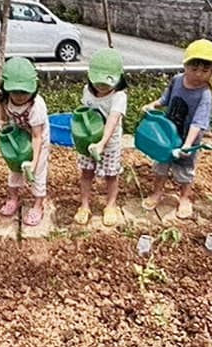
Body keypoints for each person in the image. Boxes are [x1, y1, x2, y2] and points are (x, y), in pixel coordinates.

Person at [141, 39, 212, 219]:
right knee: (161, 165)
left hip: (187, 139)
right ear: (185, 65)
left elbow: (198, 123)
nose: (198, 74)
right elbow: (165, 100)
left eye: (205, 70)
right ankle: (157, 192)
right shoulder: (177, 80)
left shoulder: (204, 94)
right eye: (194, 69)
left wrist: (187, 145)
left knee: (185, 170)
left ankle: (184, 198)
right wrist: (152, 105)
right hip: (166, 136)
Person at [73, 48, 127, 227]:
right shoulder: (87, 92)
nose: (101, 86)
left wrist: (102, 143)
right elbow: (84, 115)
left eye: (106, 82)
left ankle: (110, 205)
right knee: (87, 173)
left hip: (110, 144)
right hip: (88, 143)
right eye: (98, 82)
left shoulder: (119, 97)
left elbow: (112, 121)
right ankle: (84, 205)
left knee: (111, 175)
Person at [0, 57, 50, 226]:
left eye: (24, 92)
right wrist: (4, 130)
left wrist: (33, 163)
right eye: (15, 92)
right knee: (14, 170)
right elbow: (3, 117)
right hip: (19, 136)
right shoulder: (4, 98)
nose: (20, 96)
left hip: (38, 139)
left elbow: (37, 137)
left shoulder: (36, 106)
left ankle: (38, 205)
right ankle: (13, 199)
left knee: (38, 173)